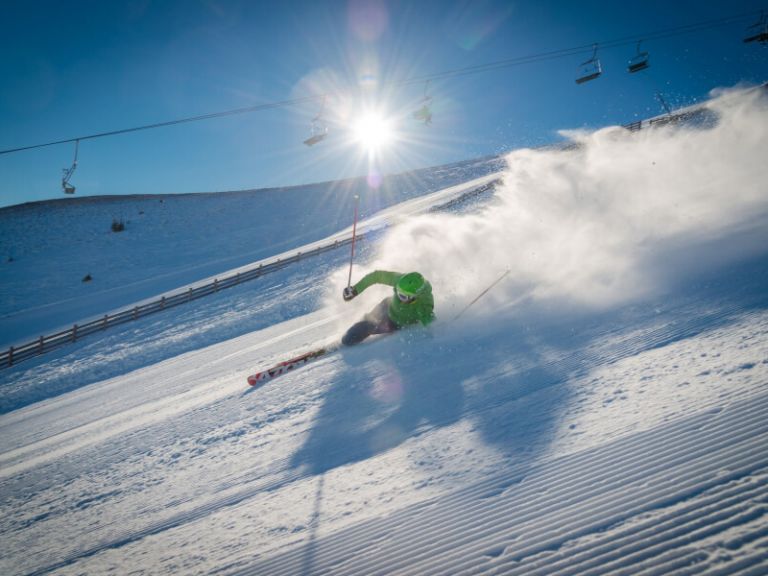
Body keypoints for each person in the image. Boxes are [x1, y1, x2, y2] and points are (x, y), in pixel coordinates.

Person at [342, 270, 435, 345]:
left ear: (415, 297)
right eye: (397, 292)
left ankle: (348, 339)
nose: (399, 297)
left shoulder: (424, 307)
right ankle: (353, 332)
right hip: (387, 305)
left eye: (403, 296)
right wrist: (355, 290)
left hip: (394, 322)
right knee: (367, 320)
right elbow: (377, 276)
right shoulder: (401, 281)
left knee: (368, 327)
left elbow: (432, 325)